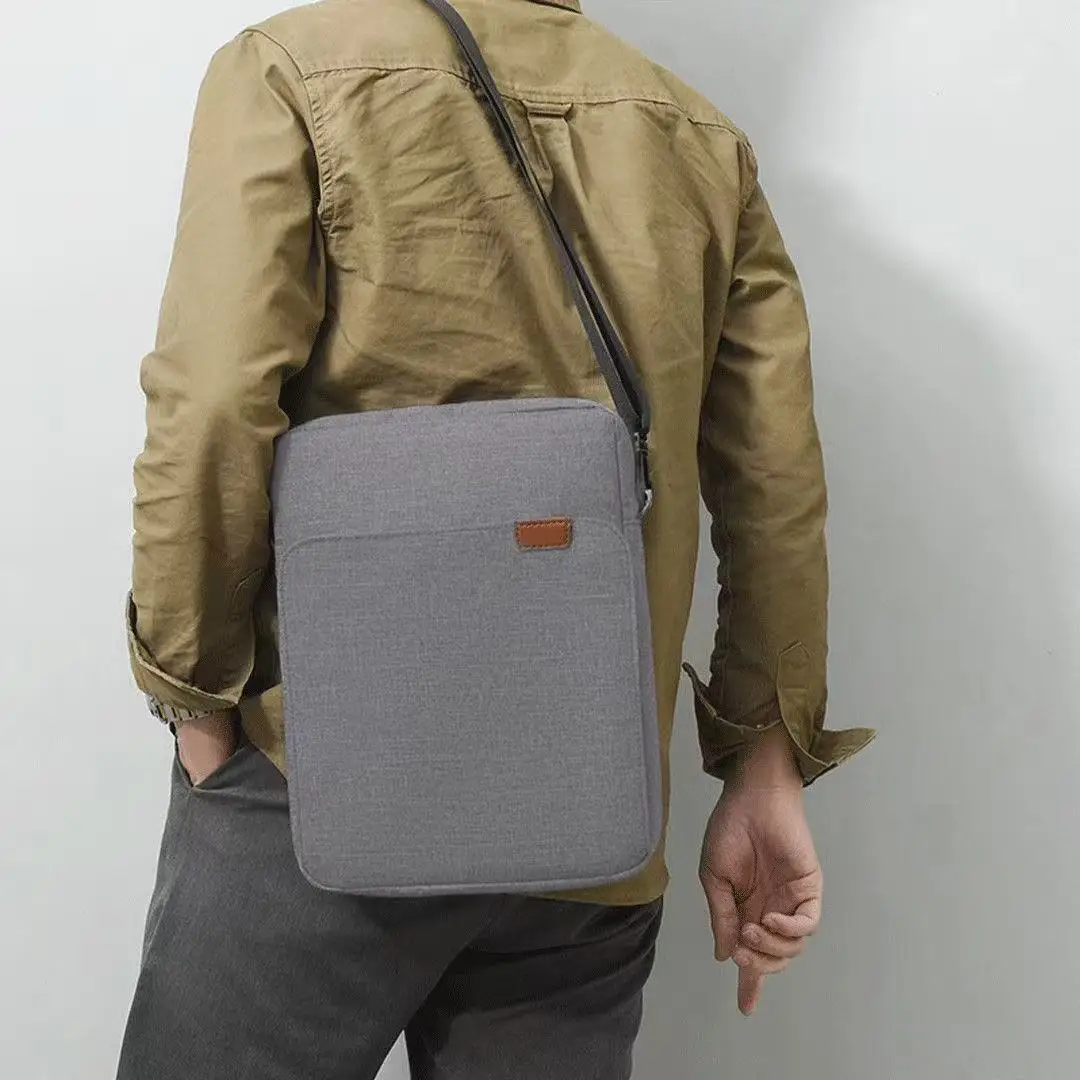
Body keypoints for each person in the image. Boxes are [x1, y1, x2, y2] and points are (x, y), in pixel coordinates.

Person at [117, 0, 875, 1076]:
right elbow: (776, 487)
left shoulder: (289, 70)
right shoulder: (701, 138)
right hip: (590, 825)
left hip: (316, 789)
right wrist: (765, 770)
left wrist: (193, 706)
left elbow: (209, 413)